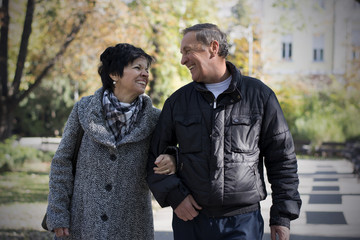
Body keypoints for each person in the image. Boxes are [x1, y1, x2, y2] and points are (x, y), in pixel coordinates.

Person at [146, 23, 302, 240]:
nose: (183, 60)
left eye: (188, 51)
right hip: (190, 222)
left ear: (213, 47)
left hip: (242, 223)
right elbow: (153, 157)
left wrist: (282, 217)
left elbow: (282, 159)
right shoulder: (177, 102)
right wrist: (175, 195)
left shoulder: (259, 96)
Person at [46, 43, 175, 240]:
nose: (145, 74)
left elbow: (172, 153)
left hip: (132, 228)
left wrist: (173, 158)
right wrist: (58, 215)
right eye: (137, 68)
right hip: (81, 225)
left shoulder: (155, 119)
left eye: (146, 70)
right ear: (114, 74)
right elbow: (62, 163)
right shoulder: (84, 109)